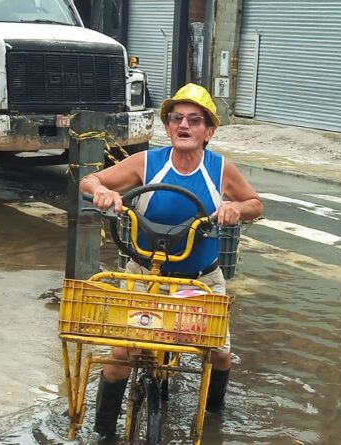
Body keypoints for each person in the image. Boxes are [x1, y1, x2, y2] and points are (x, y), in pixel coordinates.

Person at [80, 83, 263, 439]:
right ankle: (102, 432)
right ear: (167, 128)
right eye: (176, 118)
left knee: (219, 356)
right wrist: (102, 190)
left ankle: (213, 417)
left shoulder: (221, 169)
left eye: (194, 120)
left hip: (200, 280)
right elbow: (90, 179)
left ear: (208, 131)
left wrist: (234, 208)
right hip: (143, 274)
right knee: (120, 360)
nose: (184, 125)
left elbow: (255, 204)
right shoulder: (147, 162)